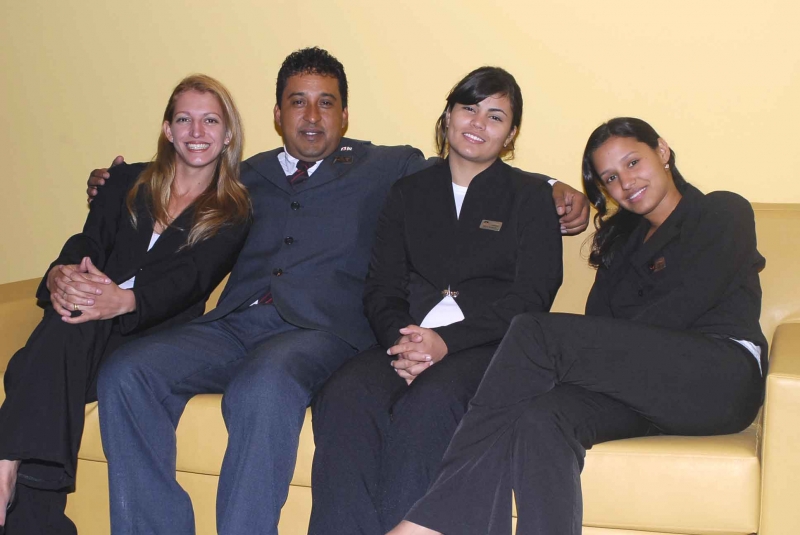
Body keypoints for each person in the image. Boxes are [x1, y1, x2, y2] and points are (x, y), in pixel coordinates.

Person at [88, 48, 590, 535]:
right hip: (234, 323)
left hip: (319, 332)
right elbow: (179, 173)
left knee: (262, 387)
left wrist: (553, 186)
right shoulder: (242, 174)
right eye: (297, 102)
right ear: (277, 115)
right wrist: (115, 183)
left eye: (326, 102)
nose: (312, 116)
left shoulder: (386, 166)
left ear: (344, 115)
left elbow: (468, 166)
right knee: (127, 373)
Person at [388, 117, 767, 535]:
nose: (626, 183)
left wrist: (583, 353)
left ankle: (439, 515)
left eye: (633, 162)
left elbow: (683, 305)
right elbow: (600, 326)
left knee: (536, 332)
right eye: (611, 178)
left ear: (662, 151)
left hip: (719, 378)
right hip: (645, 392)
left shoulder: (721, 211)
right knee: (540, 416)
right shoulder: (620, 246)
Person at [309, 66, 563, 535]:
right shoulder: (408, 192)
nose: (478, 123)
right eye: (469, 108)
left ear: (511, 135)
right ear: (448, 117)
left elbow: (532, 296)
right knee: (345, 394)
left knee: (430, 402)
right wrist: (406, 342)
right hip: (407, 339)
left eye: (495, 116)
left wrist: (446, 343)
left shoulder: (530, 197)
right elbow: (381, 287)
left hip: (487, 345)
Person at [0, 74, 252, 535]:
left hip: (150, 332)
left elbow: (191, 279)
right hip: (84, 319)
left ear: (228, 134)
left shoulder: (233, 211)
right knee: (74, 321)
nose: (197, 132)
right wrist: (59, 274)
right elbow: (88, 241)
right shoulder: (125, 182)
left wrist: (125, 300)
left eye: (211, 121)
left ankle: (8, 473)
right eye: (185, 120)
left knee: (37, 358)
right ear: (168, 130)